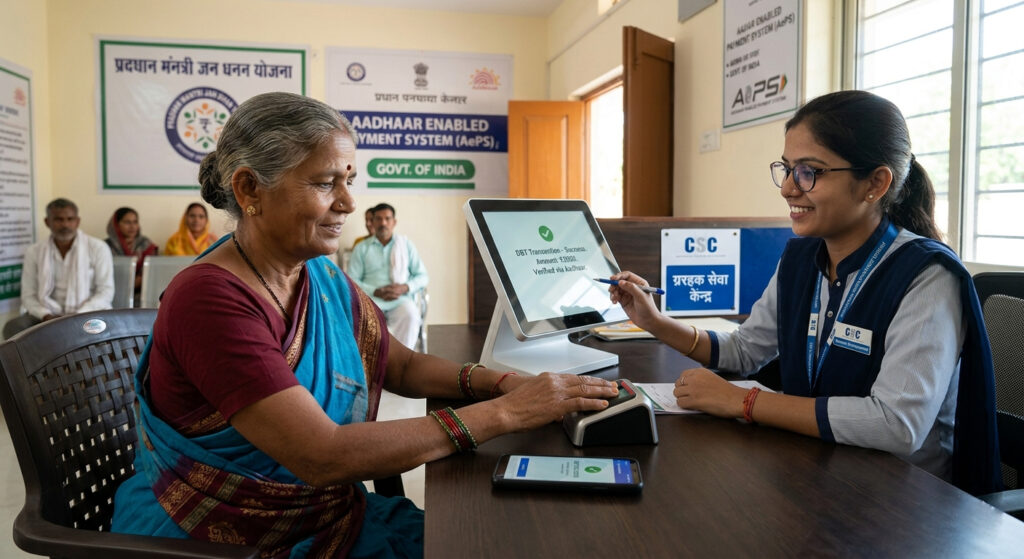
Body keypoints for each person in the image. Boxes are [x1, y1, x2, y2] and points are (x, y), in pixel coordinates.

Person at [110, 91, 618, 557]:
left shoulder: (317, 274)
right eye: (324, 182)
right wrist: (505, 414)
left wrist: (500, 383)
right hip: (221, 536)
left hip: (323, 514)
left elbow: (403, 365)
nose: (349, 203)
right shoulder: (208, 300)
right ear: (248, 189)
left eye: (348, 180)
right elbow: (322, 456)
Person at [607, 90, 1000, 495]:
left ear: (876, 183)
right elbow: (745, 350)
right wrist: (654, 321)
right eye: (787, 168)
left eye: (809, 171)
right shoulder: (801, 257)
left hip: (904, 499)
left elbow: (896, 425)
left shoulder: (926, 276)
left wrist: (743, 402)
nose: (788, 189)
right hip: (820, 470)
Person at [3, 198, 114, 339]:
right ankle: (39, 362)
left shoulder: (98, 248)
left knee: (100, 329)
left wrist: (78, 315)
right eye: (58, 219)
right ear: (47, 222)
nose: (65, 224)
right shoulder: (34, 251)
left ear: (77, 221)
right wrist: (46, 315)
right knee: (14, 327)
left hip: (87, 313)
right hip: (47, 315)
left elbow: (106, 292)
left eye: (70, 219)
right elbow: (28, 295)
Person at [348, 203, 429, 349]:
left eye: (387, 218)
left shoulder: (405, 245)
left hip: (400, 299)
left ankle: (403, 362)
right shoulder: (361, 248)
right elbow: (351, 280)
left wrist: (404, 287)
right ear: (372, 222)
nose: (383, 223)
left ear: (394, 222)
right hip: (370, 300)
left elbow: (422, 276)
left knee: (410, 315)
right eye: (378, 219)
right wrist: (375, 291)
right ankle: (375, 365)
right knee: (361, 321)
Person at [105, 207, 159, 302]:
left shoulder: (146, 244)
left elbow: (149, 275)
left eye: (135, 222)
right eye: (127, 222)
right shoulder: (105, 247)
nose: (132, 226)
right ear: (116, 225)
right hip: (111, 295)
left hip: (142, 297)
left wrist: (127, 286)